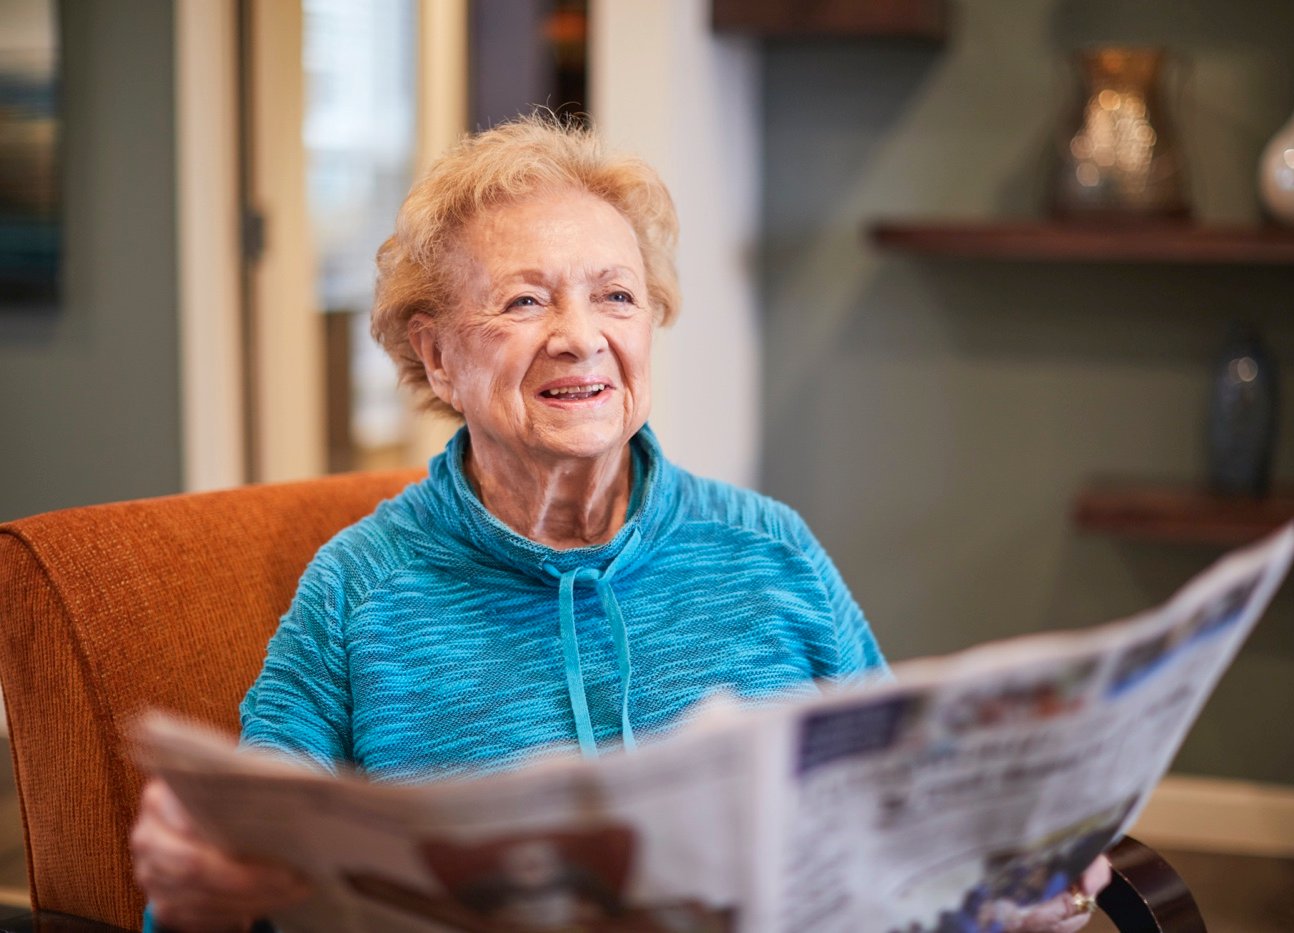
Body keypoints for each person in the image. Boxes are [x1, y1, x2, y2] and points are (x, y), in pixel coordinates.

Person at [129, 114, 1108, 932]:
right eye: (523, 300)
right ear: (434, 358)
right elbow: (244, 839)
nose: (579, 335)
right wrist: (195, 879)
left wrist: (1013, 890)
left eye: (615, 295)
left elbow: (899, 825)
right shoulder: (355, 590)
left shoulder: (772, 554)